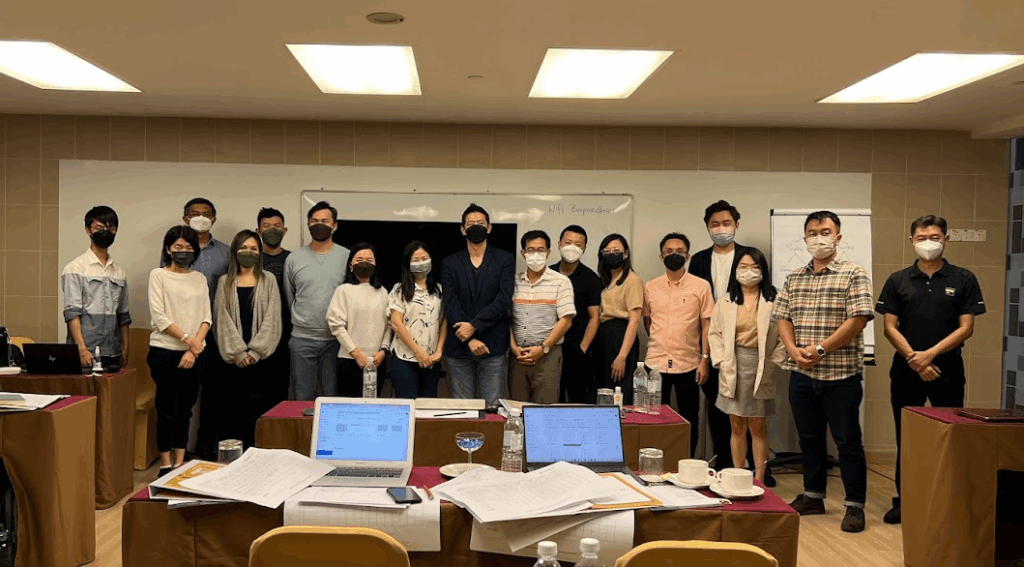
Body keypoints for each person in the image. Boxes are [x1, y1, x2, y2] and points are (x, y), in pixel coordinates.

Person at [875, 215, 985, 525]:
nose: (928, 242)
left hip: (947, 368)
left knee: (948, 436)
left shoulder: (963, 278)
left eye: (935, 236)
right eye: (922, 237)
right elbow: (889, 327)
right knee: (906, 436)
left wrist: (931, 355)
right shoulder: (898, 280)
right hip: (906, 367)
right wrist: (914, 358)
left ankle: (947, 501)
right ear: (911, 240)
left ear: (946, 239)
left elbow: (967, 328)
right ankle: (906, 501)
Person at [771, 211, 873, 533]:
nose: (819, 237)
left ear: (838, 237)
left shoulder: (854, 273)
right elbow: (783, 317)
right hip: (802, 374)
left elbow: (858, 319)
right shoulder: (794, 277)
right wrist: (791, 350)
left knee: (848, 443)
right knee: (809, 439)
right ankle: (813, 496)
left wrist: (820, 349)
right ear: (805, 239)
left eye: (825, 231)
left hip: (840, 375)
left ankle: (854, 505)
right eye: (812, 232)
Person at [708, 247, 785, 482]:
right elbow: (714, 334)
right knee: (736, 425)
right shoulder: (726, 299)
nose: (748, 272)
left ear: (763, 270)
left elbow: (785, 336)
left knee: (757, 426)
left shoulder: (776, 298)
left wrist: (773, 363)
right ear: (735, 271)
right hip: (733, 365)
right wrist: (721, 360)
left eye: (755, 267)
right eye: (743, 267)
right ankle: (739, 475)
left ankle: (759, 479)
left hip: (760, 366)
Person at [689, 200, 751, 473]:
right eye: (715, 224)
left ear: (736, 226)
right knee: (716, 406)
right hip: (711, 343)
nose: (721, 228)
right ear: (707, 228)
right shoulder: (699, 259)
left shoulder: (750, 256)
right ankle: (724, 462)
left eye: (727, 223)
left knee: (745, 407)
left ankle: (752, 466)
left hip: (744, 341)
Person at [167, 198, 231, 460]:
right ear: (185, 218)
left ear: (214, 219)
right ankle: (176, 453)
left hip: (214, 333)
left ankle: (207, 449)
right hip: (180, 335)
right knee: (180, 398)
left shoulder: (226, 252)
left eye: (206, 214)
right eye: (195, 214)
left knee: (214, 396)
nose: (201, 217)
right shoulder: (177, 248)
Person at [147, 226, 211, 477]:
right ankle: (164, 463)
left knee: (185, 410)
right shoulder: (158, 275)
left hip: (194, 353)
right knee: (166, 409)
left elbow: (206, 316)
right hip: (164, 351)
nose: (184, 252)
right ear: (168, 249)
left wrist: (194, 349)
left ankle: (180, 463)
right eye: (178, 247)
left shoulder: (200, 278)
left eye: (189, 247)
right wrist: (188, 340)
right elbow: (159, 317)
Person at [643, 233, 714, 453]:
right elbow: (648, 321)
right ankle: (654, 464)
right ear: (661, 256)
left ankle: (686, 465)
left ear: (688, 256)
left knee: (689, 419)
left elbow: (707, 325)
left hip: (689, 364)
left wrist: (704, 359)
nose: (674, 255)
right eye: (669, 252)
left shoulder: (701, 286)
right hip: (655, 364)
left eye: (680, 252)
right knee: (653, 419)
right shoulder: (650, 287)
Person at [214, 230, 282, 449]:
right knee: (233, 412)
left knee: (259, 411)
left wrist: (254, 352)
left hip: (262, 361)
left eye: (253, 249)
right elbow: (221, 320)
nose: (248, 252)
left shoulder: (268, 280)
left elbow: (273, 319)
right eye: (243, 248)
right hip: (232, 362)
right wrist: (239, 353)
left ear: (260, 253)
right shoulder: (225, 281)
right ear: (235, 251)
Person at [441, 204, 515, 406]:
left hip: (493, 345)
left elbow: (503, 300)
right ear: (463, 230)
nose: (476, 227)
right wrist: (469, 337)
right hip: (459, 346)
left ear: (489, 228)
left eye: (480, 223)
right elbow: (450, 303)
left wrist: (473, 326)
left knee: (493, 406)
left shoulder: (504, 259)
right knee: (464, 408)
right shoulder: (450, 263)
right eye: (471, 224)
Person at [284, 201, 349, 400]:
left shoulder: (347, 257)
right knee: (302, 399)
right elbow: (290, 297)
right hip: (302, 340)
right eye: (314, 220)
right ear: (308, 224)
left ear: (334, 225)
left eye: (324, 221)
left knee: (334, 399)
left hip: (337, 341)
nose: (319, 224)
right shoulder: (294, 259)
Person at [510, 230, 576, 404]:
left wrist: (543, 348)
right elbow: (506, 318)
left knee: (544, 412)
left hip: (548, 356)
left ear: (548, 253)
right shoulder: (513, 282)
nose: (536, 255)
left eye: (540, 250)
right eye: (530, 250)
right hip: (518, 356)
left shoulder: (561, 282)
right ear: (523, 254)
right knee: (517, 410)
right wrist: (513, 347)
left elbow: (566, 320)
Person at [62, 205, 131, 369]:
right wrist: (81, 349)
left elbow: (123, 316)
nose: (106, 232)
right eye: (100, 228)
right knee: (86, 395)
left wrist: (126, 348)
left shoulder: (119, 272)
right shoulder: (75, 268)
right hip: (86, 353)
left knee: (113, 395)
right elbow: (72, 313)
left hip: (113, 352)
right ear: (88, 230)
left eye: (111, 228)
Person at [327, 243, 393, 397]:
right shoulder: (343, 290)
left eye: (369, 259)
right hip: (349, 360)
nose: (364, 263)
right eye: (359, 259)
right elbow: (336, 325)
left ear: (375, 264)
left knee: (372, 411)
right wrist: (357, 354)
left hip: (377, 362)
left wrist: (383, 351)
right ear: (351, 264)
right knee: (348, 411)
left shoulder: (383, 292)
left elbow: (389, 326)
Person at [388, 241, 447, 398]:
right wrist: (418, 353)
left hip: (432, 360)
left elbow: (443, 322)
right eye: (415, 260)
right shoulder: (399, 290)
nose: (421, 263)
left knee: (427, 409)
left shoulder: (440, 290)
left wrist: (439, 351)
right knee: (407, 408)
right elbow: (396, 323)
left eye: (424, 258)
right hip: (405, 359)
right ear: (408, 263)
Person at [552, 225, 602, 403]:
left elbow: (594, 317)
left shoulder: (591, 279)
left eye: (578, 244)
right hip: (550, 347)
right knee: (551, 400)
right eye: (568, 242)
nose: (572, 247)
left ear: (584, 248)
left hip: (577, 347)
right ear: (559, 244)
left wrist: (583, 348)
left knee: (577, 400)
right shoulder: (547, 274)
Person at [595, 234, 644, 405]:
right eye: (607, 251)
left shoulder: (632, 280)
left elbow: (635, 319)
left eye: (616, 250)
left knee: (620, 392)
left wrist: (622, 356)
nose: (611, 254)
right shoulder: (605, 280)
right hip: (603, 337)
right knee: (603, 391)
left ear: (625, 254)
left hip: (621, 337)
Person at [256, 207, 291, 404]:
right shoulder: (250, 257)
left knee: (280, 390)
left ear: (285, 231)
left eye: (277, 226)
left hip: (285, 335)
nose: (272, 230)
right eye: (267, 226)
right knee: (254, 390)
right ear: (258, 231)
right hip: (255, 335)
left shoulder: (293, 259)